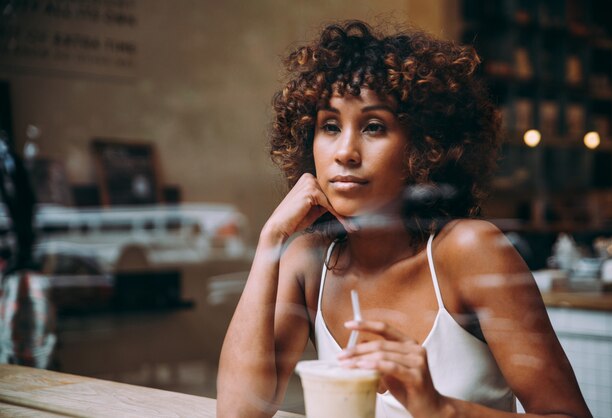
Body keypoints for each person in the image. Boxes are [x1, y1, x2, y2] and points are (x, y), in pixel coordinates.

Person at [217, 20, 591, 418]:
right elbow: (240, 413)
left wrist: (439, 408)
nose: (345, 151)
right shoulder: (309, 261)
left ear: (423, 147)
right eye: (329, 126)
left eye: (374, 127)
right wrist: (271, 239)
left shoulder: (470, 251)